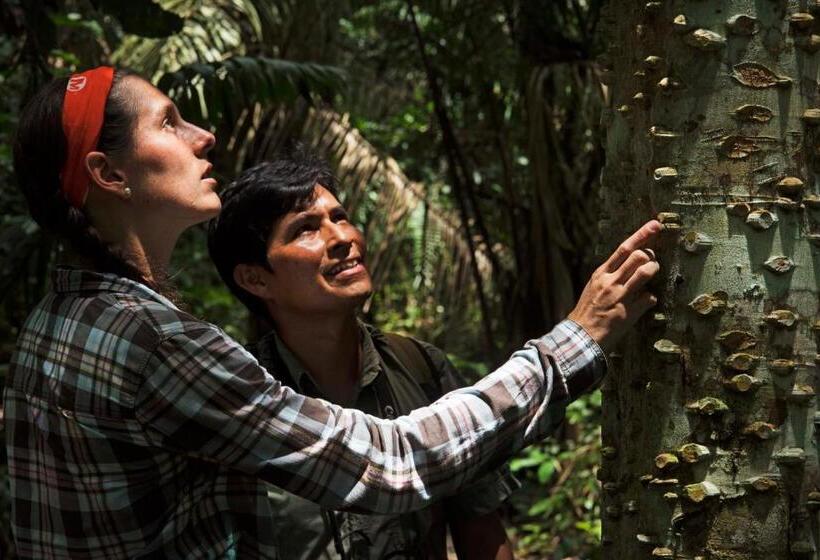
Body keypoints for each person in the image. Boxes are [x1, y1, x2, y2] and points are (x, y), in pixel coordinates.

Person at [4, 66, 661, 559]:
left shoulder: (56, 322)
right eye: (170, 122)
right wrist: (570, 345)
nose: (204, 137)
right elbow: (393, 464)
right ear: (109, 174)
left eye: (341, 216)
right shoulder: (149, 340)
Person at [207, 154, 518, 560]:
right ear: (255, 278)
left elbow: (479, 531)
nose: (342, 237)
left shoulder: (421, 369)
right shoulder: (239, 402)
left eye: (340, 216)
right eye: (306, 229)